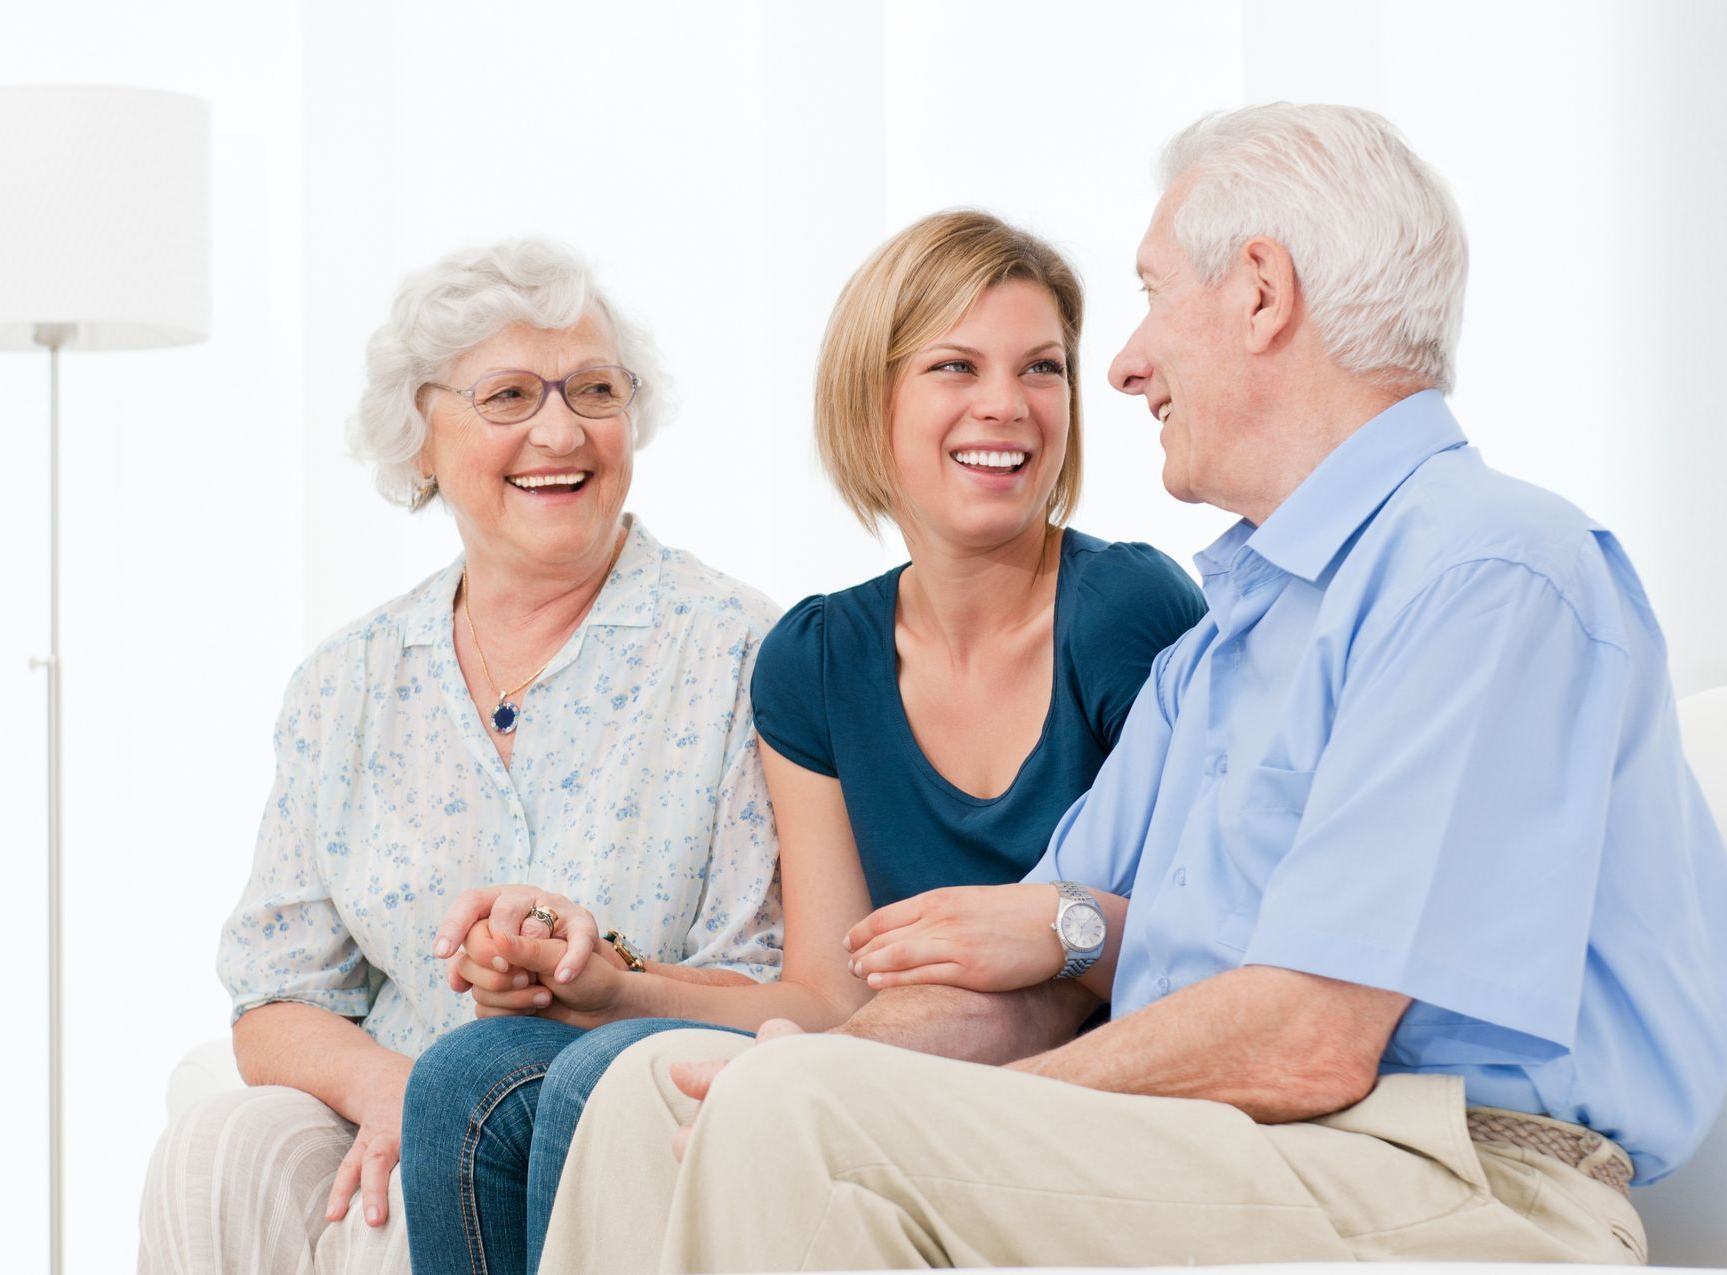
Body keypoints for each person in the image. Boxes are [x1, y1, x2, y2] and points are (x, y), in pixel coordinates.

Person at [537, 103, 1727, 1271]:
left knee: (803, 1123)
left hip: (1456, 1175)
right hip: (1235, 1152)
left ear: (1261, 291)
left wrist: (931, 1114)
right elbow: (1043, 969)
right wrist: (820, 1064)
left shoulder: (1487, 571)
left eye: (1153, 296)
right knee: (659, 1094)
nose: (1125, 363)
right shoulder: (1224, 646)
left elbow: (1311, 1037)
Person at [399, 211, 1206, 1275]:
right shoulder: (817, 657)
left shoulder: (1125, 611)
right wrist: (613, 985)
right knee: (469, 1072)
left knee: (618, 1082)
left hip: (1057, 1077)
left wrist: (1056, 935)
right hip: (881, 1049)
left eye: (1042, 368)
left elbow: (1215, 944)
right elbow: (828, 995)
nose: (1006, 405)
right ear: (872, 406)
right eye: (955, 365)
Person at [135, 240, 784, 1274]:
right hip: (398, 1110)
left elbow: (762, 977)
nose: (561, 431)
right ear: (420, 438)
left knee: (447, 1171)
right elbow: (274, 994)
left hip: (610, 1112)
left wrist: (585, 984)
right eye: (510, 395)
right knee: (219, 1144)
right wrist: (394, 1094)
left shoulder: (742, 653)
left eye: (595, 390)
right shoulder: (345, 682)